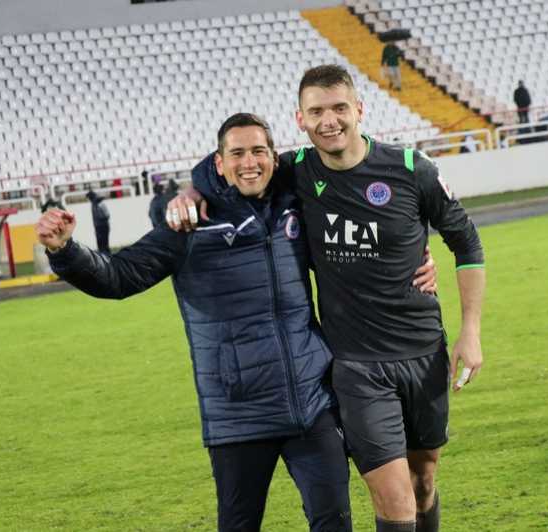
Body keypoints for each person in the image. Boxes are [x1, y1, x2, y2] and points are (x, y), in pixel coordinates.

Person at [169, 64, 485, 532]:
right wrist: (190, 190)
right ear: (300, 119)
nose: (329, 120)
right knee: (394, 495)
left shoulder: (411, 169)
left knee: (422, 482)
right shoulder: (295, 169)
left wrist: (470, 332)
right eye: (316, 111)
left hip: (422, 351)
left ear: (359, 109)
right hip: (355, 365)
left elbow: (468, 244)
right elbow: (232, 163)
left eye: (339, 108)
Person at [34, 114, 362, 532]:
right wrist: (65, 250)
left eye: (258, 151)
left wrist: (415, 257)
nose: (249, 162)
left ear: (274, 158)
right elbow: (119, 277)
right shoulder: (189, 225)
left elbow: (361, 235)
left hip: (311, 405)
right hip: (238, 415)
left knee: (335, 523)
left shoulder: (295, 205)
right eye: (237, 153)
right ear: (219, 163)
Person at [86, 190, 111, 255]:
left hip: (102, 226)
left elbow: (107, 215)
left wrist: (100, 220)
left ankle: (106, 255)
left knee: (104, 243)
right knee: (101, 243)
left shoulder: (99, 204)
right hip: (99, 226)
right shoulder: (94, 204)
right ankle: (104, 255)